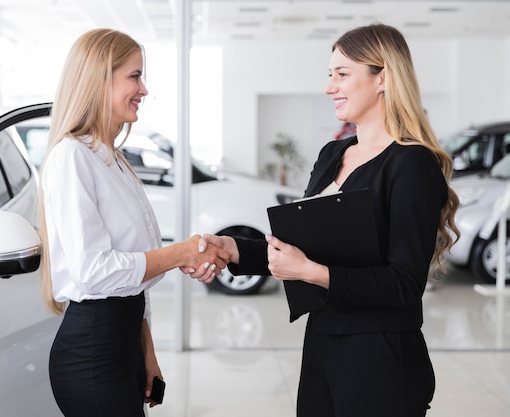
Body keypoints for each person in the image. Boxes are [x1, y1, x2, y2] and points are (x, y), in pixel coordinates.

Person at [190, 23, 460, 417]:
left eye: (342, 74)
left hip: (380, 356)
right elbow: (306, 249)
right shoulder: (332, 154)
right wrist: (233, 250)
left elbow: (404, 284)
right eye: (329, 75)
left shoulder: (411, 164)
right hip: (322, 342)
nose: (329, 87)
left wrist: (311, 272)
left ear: (382, 78)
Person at [37, 28, 229, 417]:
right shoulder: (71, 157)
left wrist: (148, 352)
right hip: (92, 355)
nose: (143, 89)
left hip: (123, 346)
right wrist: (180, 254)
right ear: (98, 79)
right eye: (134, 76)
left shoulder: (115, 160)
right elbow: (94, 272)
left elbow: (131, 277)